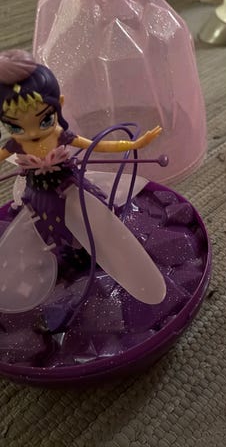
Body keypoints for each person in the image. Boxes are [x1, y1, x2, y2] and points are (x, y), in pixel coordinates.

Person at [0, 49, 165, 314]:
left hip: (70, 185)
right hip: (40, 196)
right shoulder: (15, 145)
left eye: (44, 119)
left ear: (59, 104)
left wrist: (135, 144)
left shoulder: (60, 136)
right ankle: (67, 257)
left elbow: (97, 145)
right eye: (16, 127)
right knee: (50, 231)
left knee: (92, 220)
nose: (31, 133)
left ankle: (92, 254)